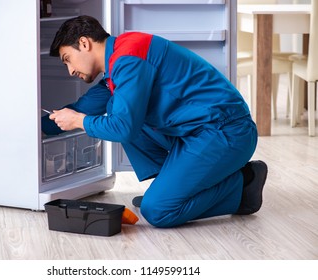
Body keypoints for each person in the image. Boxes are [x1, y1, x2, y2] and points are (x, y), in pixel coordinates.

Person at [42, 15, 268, 228]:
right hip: (198, 133)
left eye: (67, 59)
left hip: (226, 132)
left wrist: (80, 121)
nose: (70, 70)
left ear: (84, 43)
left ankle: (245, 183)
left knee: (158, 211)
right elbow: (83, 108)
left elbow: (123, 129)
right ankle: (170, 188)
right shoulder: (119, 61)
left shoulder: (129, 58)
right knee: (115, 105)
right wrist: (37, 127)